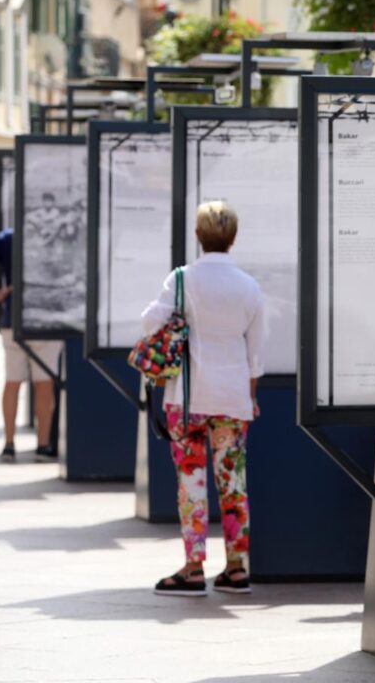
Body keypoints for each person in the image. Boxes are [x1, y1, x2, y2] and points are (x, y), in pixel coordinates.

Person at [141, 201, 265, 597]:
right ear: (233, 238)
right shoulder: (249, 286)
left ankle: (194, 568)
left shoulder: (181, 279)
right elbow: (256, 353)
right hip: (231, 399)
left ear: (198, 235)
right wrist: (251, 397)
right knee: (234, 482)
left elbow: (150, 321)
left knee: (190, 482)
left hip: (187, 398)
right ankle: (236, 568)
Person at [0, 228, 62, 462]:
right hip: (47, 319)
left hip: (14, 318)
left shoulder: (10, 236)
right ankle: (42, 445)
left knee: (13, 381)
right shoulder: (55, 232)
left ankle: (9, 444)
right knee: (44, 384)